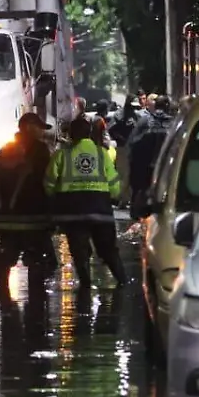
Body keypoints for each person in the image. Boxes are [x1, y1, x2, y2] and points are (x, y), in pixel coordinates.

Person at [45, 116, 128, 289]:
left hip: (73, 213)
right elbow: (114, 185)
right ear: (89, 133)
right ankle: (123, 281)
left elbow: (49, 184)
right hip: (100, 210)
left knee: (79, 252)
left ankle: (85, 285)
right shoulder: (101, 153)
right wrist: (113, 196)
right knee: (108, 250)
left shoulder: (62, 155)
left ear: (70, 134)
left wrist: (55, 200)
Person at [0, 112, 57, 299]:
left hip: (7, 217)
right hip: (33, 216)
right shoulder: (39, 149)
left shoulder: (7, 149)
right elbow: (47, 179)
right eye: (39, 128)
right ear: (29, 127)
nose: (42, 132)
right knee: (36, 258)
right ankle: (35, 299)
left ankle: (3, 292)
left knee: (6, 256)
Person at [127, 95, 174, 217]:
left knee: (139, 195)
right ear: (167, 106)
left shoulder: (144, 121)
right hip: (165, 167)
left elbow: (131, 142)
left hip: (143, 167)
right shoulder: (173, 123)